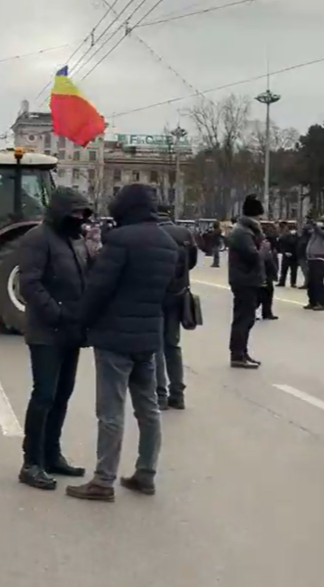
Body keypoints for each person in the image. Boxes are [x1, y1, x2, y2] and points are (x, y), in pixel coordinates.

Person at [66, 184, 177, 502]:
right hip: (148, 338)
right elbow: (170, 292)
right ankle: (146, 473)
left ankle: (103, 481)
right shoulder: (168, 243)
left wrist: (81, 323)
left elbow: (99, 288)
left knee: (111, 411)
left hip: (114, 338)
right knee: (149, 409)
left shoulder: (121, 240)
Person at [17, 187, 93, 491]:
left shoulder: (75, 240)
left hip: (72, 332)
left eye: (82, 213)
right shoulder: (37, 238)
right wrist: (58, 313)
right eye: (74, 213)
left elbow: (84, 277)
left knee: (62, 396)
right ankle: (31, 462)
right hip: (47, 332)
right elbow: (30, 284)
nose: (79, 218)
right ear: (61, 211)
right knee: (44, 396)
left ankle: (51, 454)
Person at [157, 204, 198, 410]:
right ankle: (178, 393)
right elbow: (192, 262)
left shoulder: (151, 233)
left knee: (155, 346)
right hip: (178, 294)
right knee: (172, 345)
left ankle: (160, 395)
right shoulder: (185, 233)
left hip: (154, 296)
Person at [226, 194, 266, 370]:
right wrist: (264, 250)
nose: (261, 220)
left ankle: (242, 351)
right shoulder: (242, 232)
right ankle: (237, 354)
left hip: (248, 279)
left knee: (247, 318)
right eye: (259, 216)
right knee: (244, 318)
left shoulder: (247, 230)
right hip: (244, 279)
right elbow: (252, 255)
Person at [304, 216, 324, 311]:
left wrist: (317, 227)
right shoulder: (315, 232)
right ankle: (312, 301)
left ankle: (320, 302)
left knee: (318, 282)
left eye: (321, 222)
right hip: (311, 259)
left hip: (320, 259)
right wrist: (311, 225)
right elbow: (306, 231)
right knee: (311, 282)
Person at [258, 237, 278, 321]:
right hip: (265, 275)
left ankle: (266, 313)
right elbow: (264, 264)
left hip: (266, 275)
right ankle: (266, 313)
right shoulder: (266, 249)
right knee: (265, 295)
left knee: (264, 295)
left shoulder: (267, 249)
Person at [277, 223, 299, 288]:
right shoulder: (285, 237)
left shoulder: (297, 237)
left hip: (294, 255)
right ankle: (283, 282)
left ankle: (292, 282)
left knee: (293, 270)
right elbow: (281, 244)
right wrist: (284, 252)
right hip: (288, 254)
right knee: (285, 269)